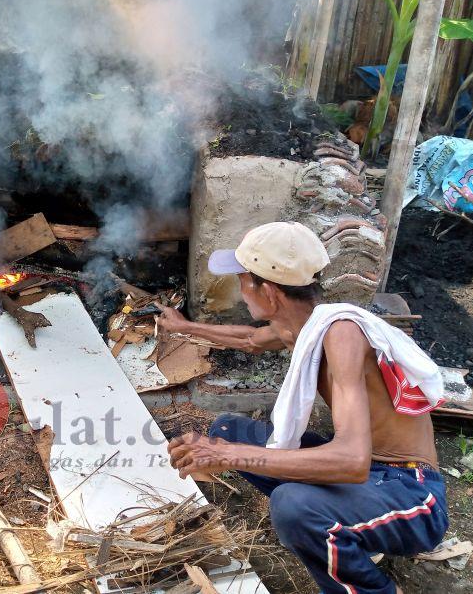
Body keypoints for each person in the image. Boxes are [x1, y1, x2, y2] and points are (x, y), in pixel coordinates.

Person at [156, 221, 448, 594]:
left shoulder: (341, 334)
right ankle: (350, 532)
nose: (240, 288)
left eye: (244, 279)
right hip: (372, 478)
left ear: (269, 291)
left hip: (411, 493)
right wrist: (186, 326)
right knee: (229, 429)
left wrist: (230, 456)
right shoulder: (303, 324)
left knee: (293, 505)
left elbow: (351, 462)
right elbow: (249, 338)